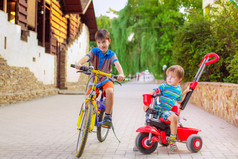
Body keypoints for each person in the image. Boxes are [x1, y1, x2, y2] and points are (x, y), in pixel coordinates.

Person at [75, 29, 125, 128]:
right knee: (88, 97)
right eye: (99, 42)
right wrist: (79, 63)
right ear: (96, 43)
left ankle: (107, 117)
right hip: (94, 80)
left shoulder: (111, 55)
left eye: (104, 42)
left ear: (109, 41)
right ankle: (90, 114)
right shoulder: (94, 51)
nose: (101, 45)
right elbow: (87, 57)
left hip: (106, 79)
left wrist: (121, 74)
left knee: (110, 91)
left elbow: (117, 64)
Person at [141, 65, 191, 152]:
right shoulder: (164, 86)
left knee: (174, 118)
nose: (169, 78)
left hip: (166, 111)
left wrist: (185, 92)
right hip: (157, 108)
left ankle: (172, 140)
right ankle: (144, 136)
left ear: (179, 79)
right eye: (168, 76)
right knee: (149, 117)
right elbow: (154, 91)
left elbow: (179, 101)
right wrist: (149, 99)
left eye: (172, 77)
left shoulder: (178, 90)